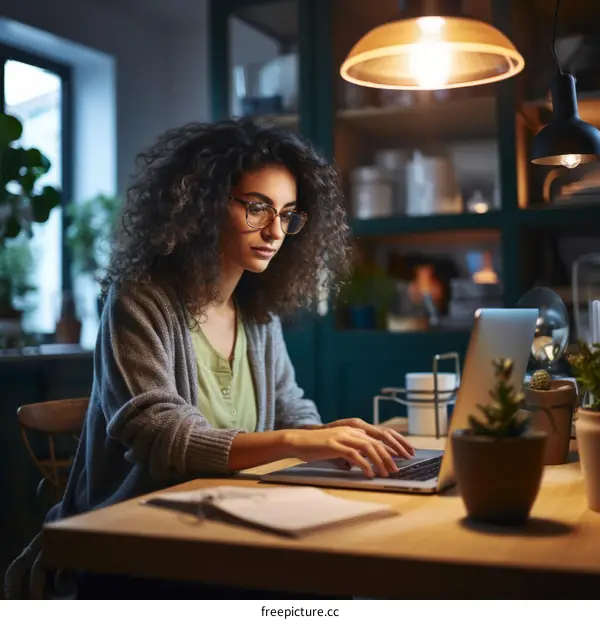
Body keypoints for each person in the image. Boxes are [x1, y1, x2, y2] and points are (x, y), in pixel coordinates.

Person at [5, 118, 414, 599]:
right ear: (199, 202)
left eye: (287, 214)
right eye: (257, 207)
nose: (275, 231)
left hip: (229, 529)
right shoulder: (139, 299)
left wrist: (323, 435)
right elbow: (161, 435)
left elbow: (291, 407)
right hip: (133, 548)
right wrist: (295, 441)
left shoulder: (257, 314)